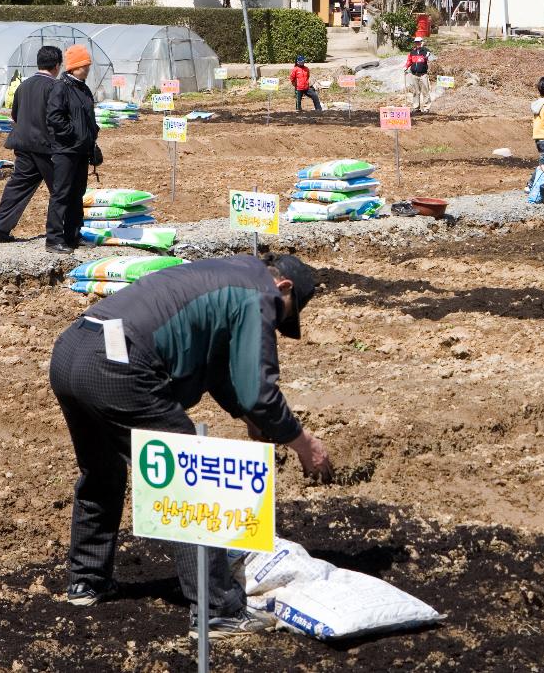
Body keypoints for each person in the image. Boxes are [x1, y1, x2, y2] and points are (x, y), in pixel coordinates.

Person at [48, 253, 334, 639]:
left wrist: (246, 416)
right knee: (190, 478)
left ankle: (87, 581)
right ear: (283, 288)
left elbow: (216, 361)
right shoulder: (259, 295)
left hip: (72, 351)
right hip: (120, 366)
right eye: (284, 316)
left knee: (103, 470)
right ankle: (218, 611)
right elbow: (260, 393)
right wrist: (304, 444)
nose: (277, 324)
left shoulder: (230, 273)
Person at [0, 46, 64, 244]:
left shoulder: (23, 86)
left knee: (18, 186)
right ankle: (63, 231)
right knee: (61, 188)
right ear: (57, 65)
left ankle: (0, 227)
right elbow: (57, 118)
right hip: (46, 146)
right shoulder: (55, 87)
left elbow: (15, 114)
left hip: (23, 144)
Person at [45, 44, 100, 254]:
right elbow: (54, 117)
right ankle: (54, 238)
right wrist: (73, 135)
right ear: (73, 67)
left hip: (81, 150)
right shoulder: (61, 87)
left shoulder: (83, 88)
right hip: (65, 150)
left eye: (87, 65)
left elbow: (87, 118)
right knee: (61, 193)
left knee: (78, 193)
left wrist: (92, 135)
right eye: (83, 65)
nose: (87, 69)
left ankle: (74, 234)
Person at [404, 36, 432, 113]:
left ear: (422, 42)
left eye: (419, 42)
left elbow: (427, 55)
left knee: (425, 91)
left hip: (423, 74)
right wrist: (406, 66)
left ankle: (426, 108)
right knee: (416, 92)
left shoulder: (425, 51)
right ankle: (416, 107)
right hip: (414, 74)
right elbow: (409, 61)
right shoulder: (412, 52)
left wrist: (425, 51)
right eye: (416, 42)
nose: (417, 43)